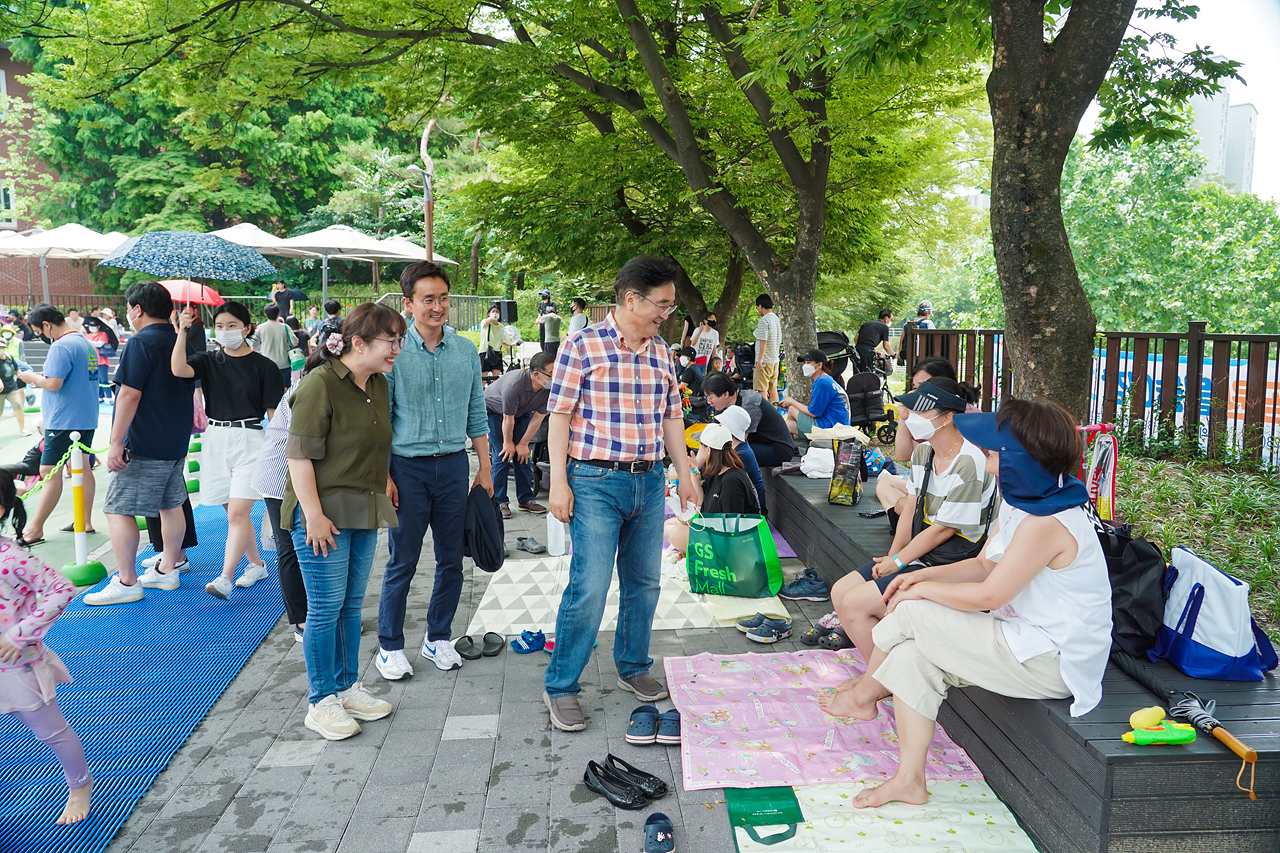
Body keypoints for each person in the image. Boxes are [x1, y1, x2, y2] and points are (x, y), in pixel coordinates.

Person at [818, 398, 1110, 810]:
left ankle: (865, 693)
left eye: (994, 456)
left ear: (1019, 462)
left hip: (1052, 659)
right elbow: (982, 566)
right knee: (911, 657)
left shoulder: (1049, 521)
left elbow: (991, 595)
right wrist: (920, 576)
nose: (989, 466)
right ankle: (909, 780)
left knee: (912, 611)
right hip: (1019, 636)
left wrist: (920, 591)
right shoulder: (1026, 500)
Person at [543, 255, 697, 733]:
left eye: (670, 307)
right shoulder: (581, 344)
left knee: (644, 582)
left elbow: (672, 416)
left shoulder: (662, 352)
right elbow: (560, 415)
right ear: (632, 299)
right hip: (593, 481)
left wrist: (686, 473)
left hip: (649, 481)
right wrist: (558, 481)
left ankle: (633, 666)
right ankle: (562, 685)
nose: (666, 315)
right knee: (589, 585)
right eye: (662, 305)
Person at [283, 303, 404, 740]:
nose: (397, 349)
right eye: (391, 341)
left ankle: (347, 686)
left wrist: (385, 479)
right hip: (323, 514)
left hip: (364, 507)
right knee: (324, 609)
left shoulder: (379, 384)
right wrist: (312, 515)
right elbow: (298, 456)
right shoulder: (320, 384)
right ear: (358, 343)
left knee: (351, 606)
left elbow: (374, 443)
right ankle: (321, 701)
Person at [376, 261, 492, 681]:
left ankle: (437, 636)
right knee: (402, 561)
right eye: (428, 299)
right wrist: (384, 476)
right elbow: (382, 419)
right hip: (407, 469)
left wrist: (484, 466)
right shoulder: (393, 350)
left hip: (454, 467)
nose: (438, 306)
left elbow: (476, 411)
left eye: (444, 298)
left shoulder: (464, 350)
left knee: (451, 561)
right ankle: (389, 646)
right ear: (408, 303)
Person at [829, 379, 998, 663]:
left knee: (856, 603)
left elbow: (944, 531)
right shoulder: (924, 453)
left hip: (951, 561)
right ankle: (882, 676)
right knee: (840, 591)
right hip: (923, 553)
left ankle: (883, 681)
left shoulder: (969, 460)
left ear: (947, 418)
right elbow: (909, 511)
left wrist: (898, 563)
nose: (910, 417)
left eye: (921, 411)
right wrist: (893, 556)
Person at [83, 282, 193, 606]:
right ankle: (167, 568)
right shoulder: (177, 340)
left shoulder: (140, 342)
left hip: (146, 442)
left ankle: (127, 581)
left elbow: (129, 394)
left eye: (129, 308)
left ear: (137, 309)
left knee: (117, 510)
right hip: (175, 440)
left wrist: (115, 442)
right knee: (170, 504)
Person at [171, 301, 286, 600]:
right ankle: (257, 564)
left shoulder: (266, 367)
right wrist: (182, 331)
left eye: (232, 326)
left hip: (251, 440)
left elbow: (275, 416)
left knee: (237, 512)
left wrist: (280, 454)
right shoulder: (208, 361)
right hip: (215, 440)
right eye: (219, 326)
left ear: (247, 328)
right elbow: (178, 369)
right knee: (231, 511)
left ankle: (225, 577)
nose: (225, 331)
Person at [0, 477, 93, 825]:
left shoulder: (11, 558)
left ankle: (80, 785)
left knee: (51, 731)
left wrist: (19, 634)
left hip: (16, 667)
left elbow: (62, 588)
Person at [16, 305, 99, 545]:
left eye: (37, 330)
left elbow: (53, 384)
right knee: (81, 467)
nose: (39, 335)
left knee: (48, 471)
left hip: (63, 420)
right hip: (85, 417)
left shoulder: (61, 345)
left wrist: (32, 377)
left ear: (46, 325)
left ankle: (34, 530)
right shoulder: (83, 343)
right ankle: (84, 521)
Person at [876, 358, 980, 519]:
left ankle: (911, 525)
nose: (917, 394)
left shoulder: (966, 418)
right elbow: (903, 455)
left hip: (962, 498)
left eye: (924, 387)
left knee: (909, 506)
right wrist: (905, 417)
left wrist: (912, 501)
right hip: (933, 487)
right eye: (916, 387)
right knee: (885, 483)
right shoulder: (928, 421)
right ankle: (909, 525)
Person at [251, 363, 310, 644]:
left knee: (310, 548)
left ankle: (323, 615)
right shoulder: (313, 386)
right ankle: (301, 620)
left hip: (300, 474)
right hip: (279, 475)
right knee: (290, 548)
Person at [663, 422, 759, 557]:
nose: (698, 451)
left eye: (700, 446)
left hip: (732, 542)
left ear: (708, 450)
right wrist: (693, 472)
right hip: (717, 530)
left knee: (673, 531)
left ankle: (694, 554)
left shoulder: (731, 481)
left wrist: (695, 522)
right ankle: (689, 552)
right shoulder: (720, 471)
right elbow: (700, 500)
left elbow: (730, 527)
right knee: (669, 524)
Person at [485, 351, 553, 519]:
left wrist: (523, 443)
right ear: (537, 374)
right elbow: (507, 419)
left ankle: (525, 499)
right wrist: (508, 442)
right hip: (495, 412)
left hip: (521, 413)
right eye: (552, 374)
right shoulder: (514, 386)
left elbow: (538, 417)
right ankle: (499, 502)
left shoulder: (547, 389)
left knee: (523, 455)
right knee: (503, 454)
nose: (556, 377)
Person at [702, 373, 795, 468]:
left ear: (725, 394)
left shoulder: (749, 403)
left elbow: (739, 441)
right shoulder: (722, 405)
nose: (709, 403)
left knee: (728, 453)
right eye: (707, 398)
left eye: (711, 398)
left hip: (778, 449)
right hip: (757, 443)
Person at [781, 349, 850, 440]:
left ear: (819, 364)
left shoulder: (822, 382)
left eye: (809, 362)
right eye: (805, 363)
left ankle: (792, 445)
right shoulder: (827, 380)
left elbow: (813, 413)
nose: (805, 366)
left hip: (831, 428)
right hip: (833, 424)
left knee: (791, 412)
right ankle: (794, 444)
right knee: (788, 421)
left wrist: (792, 402)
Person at [713, 405, 767, 513]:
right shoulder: (735, 448)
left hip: (753, 515)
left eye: (721, 425)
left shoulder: (742, 454)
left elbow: (726, 484)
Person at [255, 302, 295, 389]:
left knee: (268, 387)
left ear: (265, 314)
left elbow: (253, 345)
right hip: (284, 363)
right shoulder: (285, 327)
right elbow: (295, 342)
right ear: (278, 313)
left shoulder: (260, 328)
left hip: (266, 363)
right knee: (285, 387)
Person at [82, 308, 119, 402]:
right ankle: (99, 396)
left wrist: (90, 342)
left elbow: (100, 343)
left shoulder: (103, 334)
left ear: (98, 326)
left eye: (93, 326)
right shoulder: (89, 335)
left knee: (104, 380)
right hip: (91, 360)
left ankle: (109, 397)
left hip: (101, 360)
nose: (91, 328)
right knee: (94, 379)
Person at [752, 294, 782, 403]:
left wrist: (760, 360)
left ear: (760, 306)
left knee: (761, 390)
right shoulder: (777, 319)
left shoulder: (764, 321)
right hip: (775, 360)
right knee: (772, 389)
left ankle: (766, 415)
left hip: (764, 361)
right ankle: (777, 412)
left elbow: (763, 340)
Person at [855, 309, 896, 373]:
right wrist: (894, 355)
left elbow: (855, 339)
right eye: (891, 319)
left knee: (858, 373)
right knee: (868, 373)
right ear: (886, 318)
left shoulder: (866, 324)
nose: (891, 321)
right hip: (867, 352)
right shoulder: (884, 327)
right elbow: (886, 346)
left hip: (857, 350)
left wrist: (873, 350)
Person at [0, 347, 29, 435]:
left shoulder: (8, 357)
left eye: (2, 347)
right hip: (0, 390)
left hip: (11, 386)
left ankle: (22, 429)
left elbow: (16, 369)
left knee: (18, 404)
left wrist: (25, 377)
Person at [479, 302, 505, 380]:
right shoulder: (485, 322)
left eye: (497, 312)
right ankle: (483, 391)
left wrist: (513, 343)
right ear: (488, 313)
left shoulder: (501, 326)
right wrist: (491, 318)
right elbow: (485, 323)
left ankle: (494, 391)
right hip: (485, 352)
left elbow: (502, 340)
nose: (495, 313)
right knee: (483, 376)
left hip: (496, 353)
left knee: (496, 377)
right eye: (493, 311)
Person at [689, 313, 719, 381]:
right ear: (705, 320)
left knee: (702, 378)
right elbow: (693, 343)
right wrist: (700, 332)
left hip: (705, 360)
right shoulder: (697, 330)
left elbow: (714, 349)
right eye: (711, 319)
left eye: (715, 319)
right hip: (695, 359)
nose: (714, 321)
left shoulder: (715, 333)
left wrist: (714, 361)